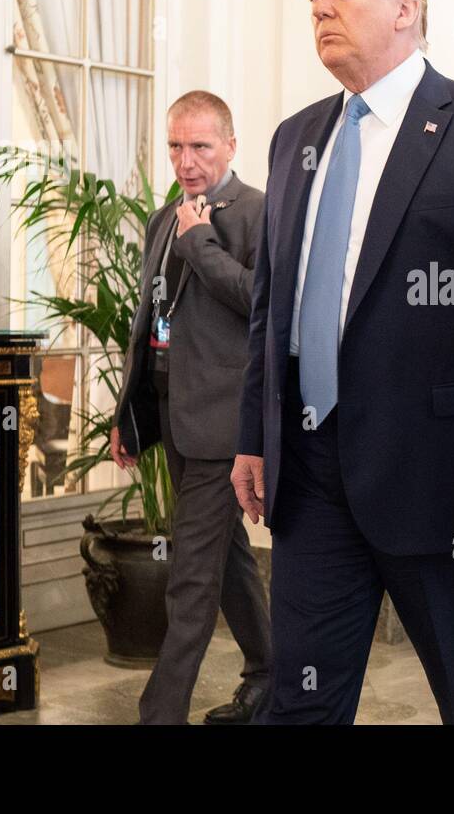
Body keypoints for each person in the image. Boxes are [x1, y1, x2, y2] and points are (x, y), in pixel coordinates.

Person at [232, 0, 454, 724]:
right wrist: (252, 435)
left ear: (407, 8)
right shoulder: (296, 136)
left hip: (443, 477)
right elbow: (273, 305)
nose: (321, 9)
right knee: (300, 703)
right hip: (308, 470)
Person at [110, 90, 271, 725]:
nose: (186, 160)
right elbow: (149, 327)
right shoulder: (161, 218)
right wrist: (130, 414)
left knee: (191, 578)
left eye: (200, 146)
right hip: (174, 419)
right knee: (226, 558)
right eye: (176, 146)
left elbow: (262, 306)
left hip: (226, 425)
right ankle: (270, 674)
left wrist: (202, 245)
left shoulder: (259, 213)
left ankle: (159, 715)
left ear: (230, 145)